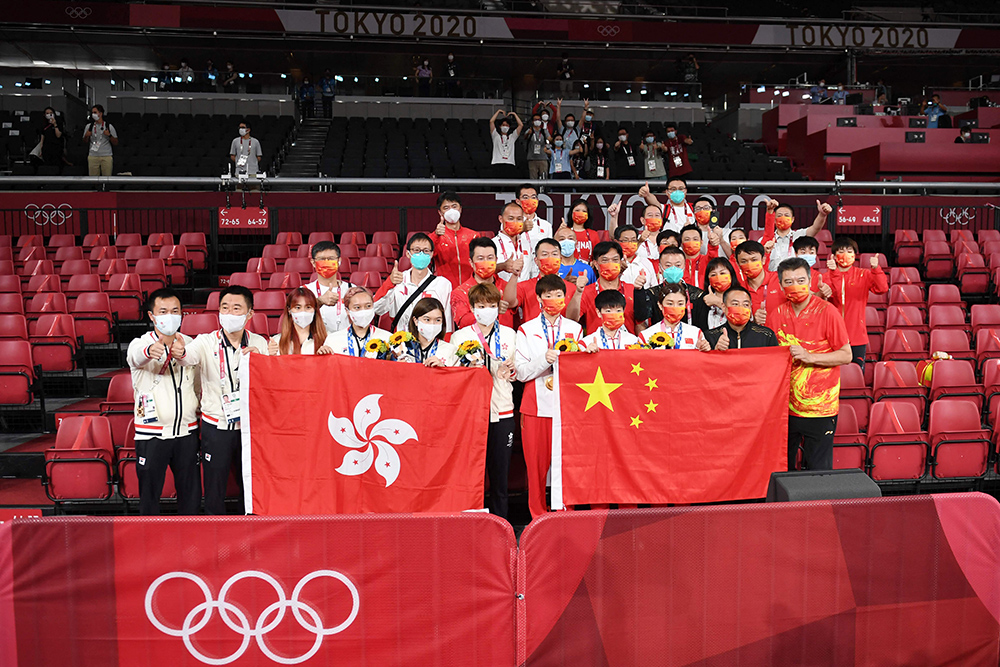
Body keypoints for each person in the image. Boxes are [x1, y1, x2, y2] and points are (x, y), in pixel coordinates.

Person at [180, 286, 268, 515]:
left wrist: (262, 360)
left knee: (248, 483)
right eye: (225, 308)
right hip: (216, 425)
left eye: (236, 308)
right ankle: (214, 530)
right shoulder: (205, 342)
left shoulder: (261, 343)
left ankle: (248, 527)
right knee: (214, 483)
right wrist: (177, 350)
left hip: (250, 426)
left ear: (250, 314)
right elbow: (186, 357)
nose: (229, 313)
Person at [768, 257, 852, 471]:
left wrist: (810, 357)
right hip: (783, 409)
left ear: (810, 281)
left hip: (820, 409)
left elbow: (846, 355)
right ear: (780, 285)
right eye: (788, 281)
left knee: (817, 471)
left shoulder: (827, 311)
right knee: (781, 469)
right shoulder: (775, 315)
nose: (795, 285)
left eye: (800, 280)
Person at [516, 274, 584, 518]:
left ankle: (566, 511)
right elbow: (521, 373)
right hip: (536, 405)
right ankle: (537, 514)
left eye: (559, 296)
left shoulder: (575, 329)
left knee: (566, 463)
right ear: (538, 298)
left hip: (567, 407)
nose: (554, 300)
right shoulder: (526, 330)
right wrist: (543, 359)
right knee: (536, 466)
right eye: (549, 296)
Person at [127, 288, 200, 516]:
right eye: (163, 311)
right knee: (149, 497)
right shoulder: (139, 343)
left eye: (175, 311)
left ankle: (191, 544)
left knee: (191, 496)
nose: (170, 316)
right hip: (152, 435)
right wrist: (150, 351)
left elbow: (198, 385)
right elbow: (136, 357)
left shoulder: (190, 345)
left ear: (181, 315)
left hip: (187, 433)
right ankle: (148, 542)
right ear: (152, 316)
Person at [450, 283, 517, 519]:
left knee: (500, 475)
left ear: (498, 307)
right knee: (471, 473)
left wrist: (510, 370)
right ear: (472, 308)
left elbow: (518, 371)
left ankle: (502, 525)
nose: (486, 310)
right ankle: (471, 521)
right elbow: (452, 373)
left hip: (502, 410)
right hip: (471, 414)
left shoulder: (510, 334)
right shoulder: (460, 337)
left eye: (490, 305)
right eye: (480, 306)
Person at [825, 237, 888, 370]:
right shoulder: (826, 276)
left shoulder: (863, 274)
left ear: (855, 254)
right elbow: (834, 295)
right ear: (834, 256)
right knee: (833, 375)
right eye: (841, 251)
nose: (846, 254)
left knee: (856, 374)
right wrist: (834, 273)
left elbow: (882, 288)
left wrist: (876, 269)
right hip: (832, 335)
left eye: (849, 251)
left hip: (857, 336)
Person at [374, 233, 453, 332]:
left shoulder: (443, 284)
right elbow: (377, 308)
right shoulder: (397, 281)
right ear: (408, 254)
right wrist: (389, 283)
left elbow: (447, 322)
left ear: (432, 254)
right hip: (402, 342)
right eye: (416, 250)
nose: (421, 254)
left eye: (426, 251)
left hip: (431, 342)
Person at [503, 237, 582, 324]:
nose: (550, 258)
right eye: (545, 254)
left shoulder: (572, 288)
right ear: (536, 261)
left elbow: (574, 320)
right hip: (532, 335)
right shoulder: (524, 287)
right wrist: (515, 275)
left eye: (554, 254)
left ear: (560, 259)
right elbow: (509, 303)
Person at [580, 240, 650, 335]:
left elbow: (640, 324)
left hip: (627, 346)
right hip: (596, 347)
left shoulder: (632, 290)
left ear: (621, 262)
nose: (610, 263)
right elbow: (572, 320)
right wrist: (578, 291)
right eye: (605, 260)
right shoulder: (586, 292)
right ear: (596, 264)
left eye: (615, 260)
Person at [633, 246, 705, 329]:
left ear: (684, 267)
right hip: (659, 339)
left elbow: (702, 327)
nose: (673, 269)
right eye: (668, 265)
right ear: (660, 268)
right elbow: (640, 317)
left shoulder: (697, 295)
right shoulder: (652, 294)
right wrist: (638, 290)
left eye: (678, 265)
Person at [451, 237, 514, 330]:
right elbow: (463, 323)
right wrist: (492, 311)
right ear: (471, 262)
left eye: (490, 258)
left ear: (496, 260)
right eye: (480, 258)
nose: (486, 262)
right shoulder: (459, 293)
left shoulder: (507, 288)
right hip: (475, 343)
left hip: (506, 342)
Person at [765, 200, 832, 271]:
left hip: (795, 279)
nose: (783, 218)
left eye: (786, 215)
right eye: (779, 215)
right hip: (772, 278)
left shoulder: (800, 235)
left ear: (793, 219)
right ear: (774, 220)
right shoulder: (765, 240)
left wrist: (822, 215)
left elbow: (815, 227)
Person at [704, 286, 779, 350]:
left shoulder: (766, 335)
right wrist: (716, 351)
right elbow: (706, 364)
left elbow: (775, 362)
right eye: (735, 304)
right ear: (723, 307)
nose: (741, 308)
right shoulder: (711, 336)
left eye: (746, 305)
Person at [326, 286, 393, 356]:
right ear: (347, 310)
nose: (363, 311)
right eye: (357, 307)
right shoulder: (333, 340)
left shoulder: (387, 338)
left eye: (368, 306)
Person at [638, 283, 707, 350]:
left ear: (685, 305)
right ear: (660, 305)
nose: (675, 307)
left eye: (680, 304)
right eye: (670, 303)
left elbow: (702, 359)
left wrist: (704, 349)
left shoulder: (696, 333)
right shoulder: (646, 336)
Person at [433, 191, 480, 288]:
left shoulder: (474, 235)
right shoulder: (435, 237)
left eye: (454, 206)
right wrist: (436, 236)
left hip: (471, 289)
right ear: (440, 212)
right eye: (446, 208)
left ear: (460, 209)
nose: (451, 211)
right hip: (444, 289)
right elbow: (428, 256)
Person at [305, 241, 353, 333]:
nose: (326, 263)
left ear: (339, 261)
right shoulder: (304, 291)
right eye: (321, 259)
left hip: (346, 342)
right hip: (316, 342)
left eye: (331, 259)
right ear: (313, 262)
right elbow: (297, 317)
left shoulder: (351, 289)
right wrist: (319, 301)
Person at [267, 288, 331, 356]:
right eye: (298, 307)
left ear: (315, 310)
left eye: (308, 307)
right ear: (289, 310)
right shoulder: (277, 341)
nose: (303, 312)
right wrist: (271, 356)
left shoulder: (328, 338)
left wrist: (327, 356)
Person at [694, 257, 742, 332]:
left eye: (722, 273)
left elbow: (742, 318)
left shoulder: (741, 296)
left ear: (731, 275)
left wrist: (718, 302)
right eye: (713, 275)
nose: (718, 277)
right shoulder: (702, 301)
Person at [406, 297, 457, 366]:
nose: (432, 324)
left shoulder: (450, 350)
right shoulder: (404, 348)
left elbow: (457, 375)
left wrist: (443, 368)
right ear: (415, 321)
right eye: (427, 319)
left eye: (437, 320)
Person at [493, 201, 534, 282]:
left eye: (519, 219)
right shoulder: (493, 244)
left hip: (525, 292)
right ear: (501, 219)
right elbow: (484, 270)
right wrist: (502, 266)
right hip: (502, 291)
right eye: (511, 218)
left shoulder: (526, 243)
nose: (515, 222)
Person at [515, 183, 554, 263]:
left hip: (539, 269)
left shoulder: (546, 225)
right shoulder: (510, 224)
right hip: (520, 267)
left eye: (533, 197)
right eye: (525, 197)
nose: (530, 200)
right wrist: (521, 229)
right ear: (518, 201)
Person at [792, 236, 833, 301]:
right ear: (796, 254)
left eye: (811, 253)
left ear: (816, 254)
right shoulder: (789, 275)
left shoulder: (820, 277)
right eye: (803, 252)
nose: (807, 255)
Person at [82, 105, 118, 176]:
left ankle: (105, 187)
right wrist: (86, 136)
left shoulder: (108, 126)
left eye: (95, 112)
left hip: (106, 156)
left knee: (107, 178)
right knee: (93, 179)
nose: (93, 114)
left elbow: (116, 142)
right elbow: (85, 141)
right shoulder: (89, 126)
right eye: (92, 113)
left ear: (100, 113)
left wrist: (109, 135)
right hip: (93, 155)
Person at [489, 110, 522, 180]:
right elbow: (491, 122)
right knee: (496, 185)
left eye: (507, 125)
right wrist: (498, 112)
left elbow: (521, 125)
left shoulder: (512, 137)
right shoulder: (496, 136)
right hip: (497, 163)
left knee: (509, 186)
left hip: (510, 163)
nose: (505, 127)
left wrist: (514, 114)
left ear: (509, 127)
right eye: (503, 125)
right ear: (500, 126)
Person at [525, 114, 551, 180]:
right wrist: (528, 133)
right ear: (532, 121)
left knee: (544, 177)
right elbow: (525, 138)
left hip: (543, 158)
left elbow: (550, 139)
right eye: (535, 120)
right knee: (533, 178)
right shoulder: (529, 130)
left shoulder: (544, 131)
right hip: (532, 158)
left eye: (539, 120)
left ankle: (543, 190)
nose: (537, 121)